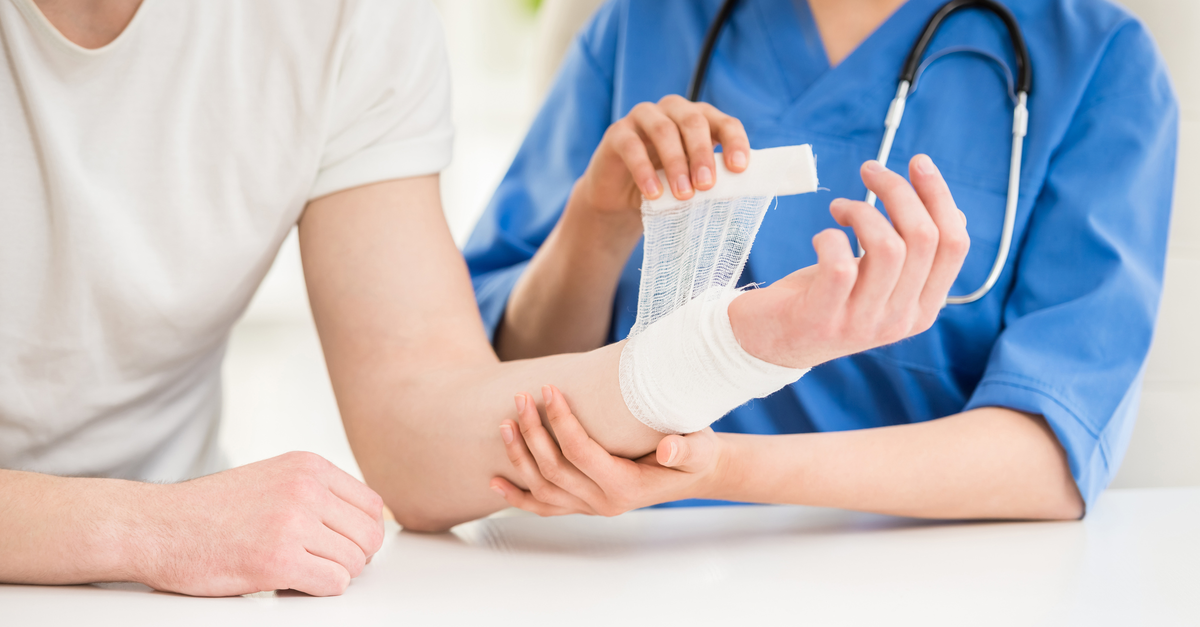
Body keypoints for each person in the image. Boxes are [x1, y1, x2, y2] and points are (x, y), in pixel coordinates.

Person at [0, 0, 965, 596]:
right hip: (154, 554)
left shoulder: (345, 17)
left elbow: (420, 432)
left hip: (166, 593)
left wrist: (745, 342)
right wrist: (145, 526)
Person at [464, 0, 1177, 518]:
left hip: (927, 575)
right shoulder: (643, 23)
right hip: (613, 557)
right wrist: (597, 224)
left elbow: (1049, 454)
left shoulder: (1098, 62)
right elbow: (497, 379)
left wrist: (717, 472)